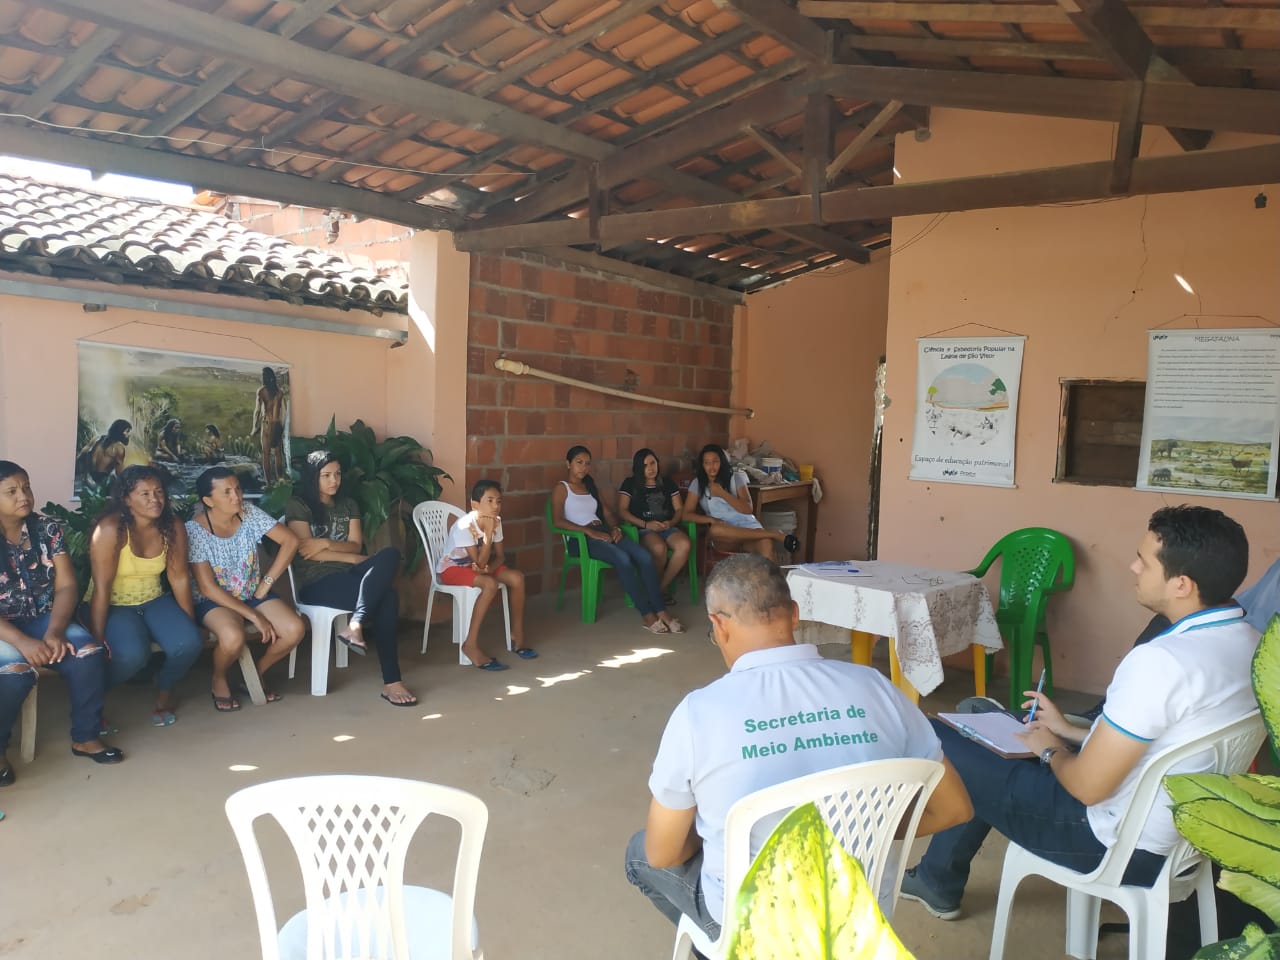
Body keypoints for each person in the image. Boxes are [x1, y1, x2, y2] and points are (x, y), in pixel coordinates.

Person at [900, 505, 1259, 921]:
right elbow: (1172, 743)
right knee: (984, 723)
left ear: (1181, 585)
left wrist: (1050, 749)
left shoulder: (1162, 661)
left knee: (938, 735)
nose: (1133, 567)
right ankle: (936, 879)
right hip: (1177, 838)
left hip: (1105, 840)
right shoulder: (1251, 643)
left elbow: (1088, 789)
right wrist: (1067, 731)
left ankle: (934, 878)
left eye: (1144, 561)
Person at [625, 553, 972, 938]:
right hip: (860, 914)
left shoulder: (698, 713)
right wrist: (864, 832)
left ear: (718, 625)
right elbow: (955, 808)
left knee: (639, 854)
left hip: (761, 930)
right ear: (794, 614)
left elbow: (663, 853)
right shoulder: (877, 688)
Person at [0, 461, 122, 776]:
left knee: (87, 652)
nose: (23, 496)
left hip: (44, 617)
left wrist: (55, 631)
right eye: (11, 491)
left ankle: (86, 737)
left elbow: (66, 585)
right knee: (14, 673)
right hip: (3, 629)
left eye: (26, 487)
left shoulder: (47, 528)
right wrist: (23, 642)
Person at [285, 451, 416, 706]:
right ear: (312, 477)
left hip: (348, 575)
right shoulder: (298, 505)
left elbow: (355, 543)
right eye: (326, 475)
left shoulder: (348, 505)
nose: (334, 480)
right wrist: (354, 559)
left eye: (337, 474)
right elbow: (307, 553)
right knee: (388, 597)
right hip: (316, 582)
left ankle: (355, 625)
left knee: (390, 554)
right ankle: (392, 681)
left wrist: (325, 543)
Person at [89, 465, 202, 727]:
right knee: (131, 656)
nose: (155, 499)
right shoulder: (110, 529)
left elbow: (179, 578)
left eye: (159, 492)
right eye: (145, 494)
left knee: (188, 643)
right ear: (126, 499)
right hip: (115, 603)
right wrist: (96, 640)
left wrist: (189, 623)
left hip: (154, 599)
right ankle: (91, 697)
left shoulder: (172, 526)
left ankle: (165, 690)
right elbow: (102, 588)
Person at [186, 467, 303, 711]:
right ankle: (219, 677)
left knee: (294, 629)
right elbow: (207, 588)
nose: (236, 496)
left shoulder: (249, 513)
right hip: (214, 600)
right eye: (227, 492)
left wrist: (266, 582)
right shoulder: (195, 531)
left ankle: (254, 673)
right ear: (208, 501)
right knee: (233, 637)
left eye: (237, 489)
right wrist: (254, 616)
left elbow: (291, 541)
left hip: (251, 593)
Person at [552, 446, 683, 635]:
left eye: (587, 463)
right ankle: (647, 614)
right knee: (622, 559)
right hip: (580, 539)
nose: (583, 467)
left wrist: (615, 528)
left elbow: (607, 513)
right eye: (579, 462)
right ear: (568, 464)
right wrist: (588, 531)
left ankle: (661, 610)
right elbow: (557, 520)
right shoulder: (561, 488)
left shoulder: (590, 486)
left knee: (644, 556)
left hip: (602, 532)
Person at [435, 479, 533, 671]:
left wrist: (488, 569)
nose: (495, 506)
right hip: (452, 569)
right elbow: (478, 562)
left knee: (517, 578)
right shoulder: (464, 526)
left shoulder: (496, 521)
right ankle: (470, 645)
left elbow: (500, 556)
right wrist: (488, 535)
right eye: (490, 501)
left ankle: (517, 634)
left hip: (479, 566)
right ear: (475, 505)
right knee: (490, 585)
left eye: (499, 501)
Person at [684, 445, 799, 561]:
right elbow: (686, 515)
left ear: (722, 462)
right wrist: (710, 520)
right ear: (702, 465)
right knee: (715, 530)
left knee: (766, 544)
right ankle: (774, 534)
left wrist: (722, 493)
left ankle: (772, 572)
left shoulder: (736, 477)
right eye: (707, 463)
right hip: (726, 537)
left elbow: (747, 509)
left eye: (715, 461)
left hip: (747, 528)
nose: (711, 466)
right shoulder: (698, 483)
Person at [618, 448, 692, 605]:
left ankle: (658, 590)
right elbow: (622, 511)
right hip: (643, 529)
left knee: (684, 545)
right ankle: (656, 592)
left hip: (667, 527)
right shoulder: (630, 484)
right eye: (645, 465)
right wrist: (646, 524)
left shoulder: (667, 483)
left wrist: (671, 523)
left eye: (653, 463)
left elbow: (679, 509)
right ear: (638, 468)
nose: (650, 468)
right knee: (658, 548)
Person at [253, 367, 287, 484]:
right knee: (278, 454)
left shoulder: (261, 391)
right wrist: (282, 426)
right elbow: (284, 412)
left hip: (267, 424)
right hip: (277, 424)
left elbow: (257, 411)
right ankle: (280, 479)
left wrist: (254, 427)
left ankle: (268, 482)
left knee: (266, 454)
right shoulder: (280, 392)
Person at [76, 418, 132, 485]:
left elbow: (80, 455)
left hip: (88, 479)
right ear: (120, 431)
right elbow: (120, 474)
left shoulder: (96, 439)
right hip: (102, 483)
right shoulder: (118, 448)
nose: (129, 434)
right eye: (127, 431)